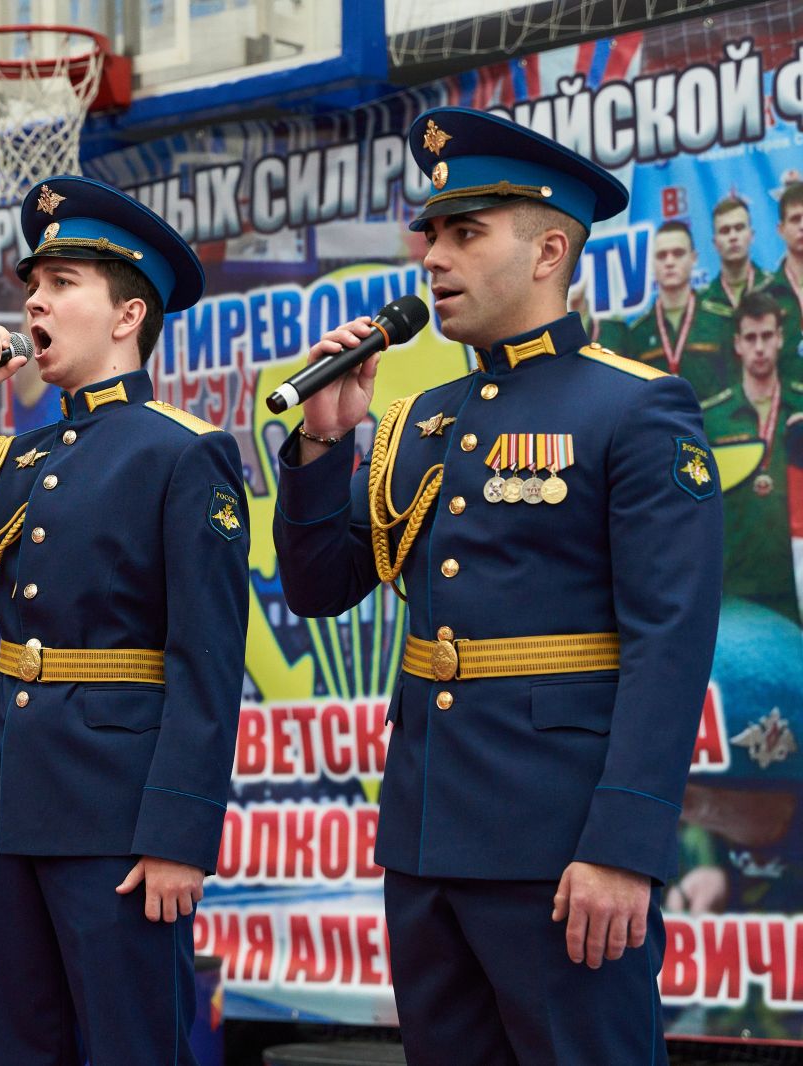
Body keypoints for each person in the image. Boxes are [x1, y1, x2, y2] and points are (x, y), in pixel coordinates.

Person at [272, 107, 722, 1064]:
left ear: (550, 250)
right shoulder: (420, 421)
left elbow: (670, 644)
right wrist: (322, 439)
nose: (434, 256)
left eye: (466, 233)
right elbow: (317, 589)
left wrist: (622, 846)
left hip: (563, 849)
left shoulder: (635, 408)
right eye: (432, 232)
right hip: (427, 841)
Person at [0, 176, 249, 1064]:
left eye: (63, 283)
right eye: (34, 284)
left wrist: (179, 836)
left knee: (131, 1049)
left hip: (120, 821)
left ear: (127, 316)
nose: (34, 300)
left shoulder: (182, 454)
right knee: (21, 1048)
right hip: (13, 811)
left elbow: (208, 663)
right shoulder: (16, 461)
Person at [701, 291, 803, 626]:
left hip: (795, 584)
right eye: (750, 337)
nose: (759, 347)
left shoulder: (800, 409)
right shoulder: (712, 419)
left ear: (780, 339)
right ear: (737, 344)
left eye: (767, 336)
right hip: (735, 588)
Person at [625, 219, 731, 401]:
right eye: (661, 255)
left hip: (712, 418)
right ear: (652, 263)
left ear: (694, 258)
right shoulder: (637, 333)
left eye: (678, 253)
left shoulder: (720, 321)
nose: (669, 262)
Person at [761, 182, 803, 389]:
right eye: (795, 219)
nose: (802, 226)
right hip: (785, 403)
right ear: (781, 229)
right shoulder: (765, 296)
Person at [700, 195, 771, 315]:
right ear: (715, 243)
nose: (733, 237)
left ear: (751, 236)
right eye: (725, 231)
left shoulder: (775, 288)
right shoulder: (702, 303)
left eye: (739, 228)